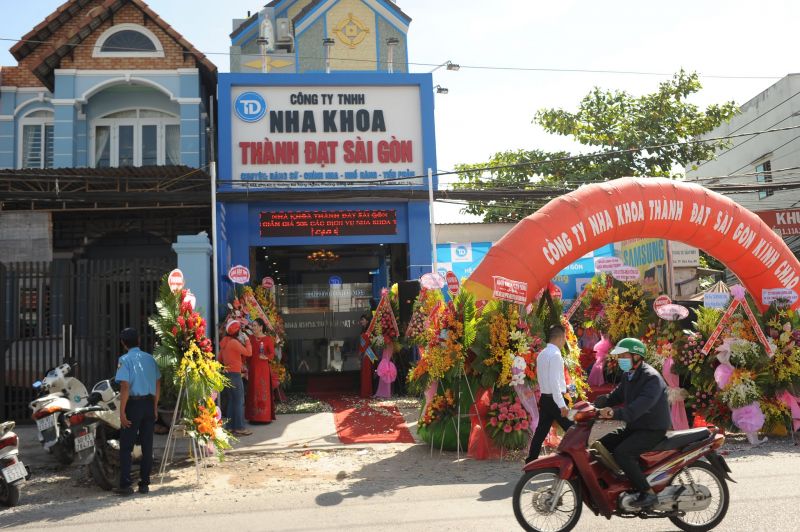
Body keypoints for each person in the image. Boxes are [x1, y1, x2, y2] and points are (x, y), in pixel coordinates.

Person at [595, 337, 671, 509]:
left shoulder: (651, 378)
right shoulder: (629, 375)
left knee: (623, 453)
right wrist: (596, 405)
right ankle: (623, 482)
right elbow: (615, 396)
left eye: (624, 355)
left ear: (636, 356)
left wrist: (614, 413)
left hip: (652, 428)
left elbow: (638, 408)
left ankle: (648, 493)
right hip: (636, 426)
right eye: (619, 356)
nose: (620, 359)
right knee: (603, 444)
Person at [114, 327, 160, 496]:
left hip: (133, 405)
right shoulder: (149, 359)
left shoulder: (124, 360)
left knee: (126, 446)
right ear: (139, 340)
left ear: (123, 343)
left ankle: (125, 485)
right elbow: (157, 383)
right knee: (147, 445)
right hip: (148, 404)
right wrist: (154, 407)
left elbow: (124, 386)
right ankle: (144, 484)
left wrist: (122, 412)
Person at [525, 325, 574, 462]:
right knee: (573, 429)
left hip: (545, 398)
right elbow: (554, 382)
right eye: (565, 338)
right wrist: (562, 405)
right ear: (560, 338)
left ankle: (531, 459)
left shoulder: (542, 354)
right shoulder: (556, 355)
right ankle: (573, 457)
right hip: (555, 399)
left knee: (541, 431)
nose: (565, 342)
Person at [219, 319, 252, 436]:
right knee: (239, 401)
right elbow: (249, 352)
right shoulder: (234, 342)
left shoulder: (224, 342)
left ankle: (229, 427)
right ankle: (239, 427)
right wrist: (247, 339)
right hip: (235, 374)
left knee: (232, 401)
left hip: (227, 374)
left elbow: (220, 359)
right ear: (236, 332)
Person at [245, 318, 275, 423]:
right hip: (253, 368)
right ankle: (253, 417)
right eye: (252, 326)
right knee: (253, 390)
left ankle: (264, 417)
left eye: (255, 326)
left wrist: (266, 357)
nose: (253, 328)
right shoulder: (250, 338)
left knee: (263, 391)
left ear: (261, 327)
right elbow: (247, 353)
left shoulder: (267, 339)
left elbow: (272, 354)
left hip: (263, 369)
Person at [358, 313, 375, 398]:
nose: (361, 321)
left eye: (363, 320)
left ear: (367, 321)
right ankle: (365, 392)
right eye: (361, 320)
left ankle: (368, 392)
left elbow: (370, 343)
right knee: (364, 373)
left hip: (368, 354)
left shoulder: (369, 331)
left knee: (367, 373)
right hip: (364, 354)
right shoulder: (363, 330)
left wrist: (364, 352)